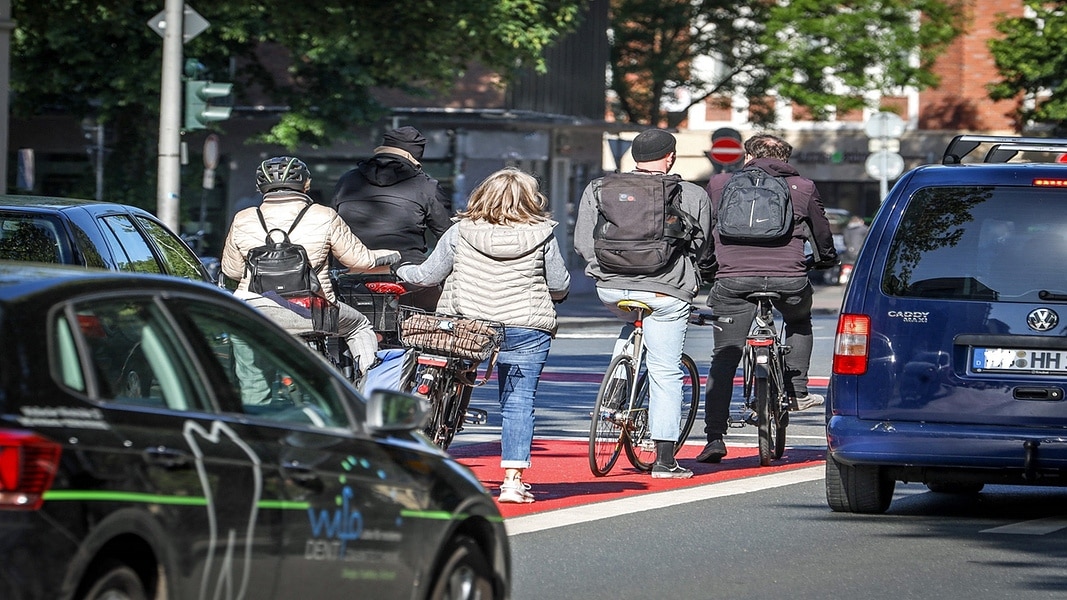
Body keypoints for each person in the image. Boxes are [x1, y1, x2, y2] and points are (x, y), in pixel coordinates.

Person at [396, 167, 570, 504]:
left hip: (467, 326)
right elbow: (560, 283)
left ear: (482, 195)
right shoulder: (543, 234)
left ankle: (429, 447)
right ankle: (513, 482)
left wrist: (400, 268)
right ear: (531, 200)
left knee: (447, 378)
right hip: (526, 325)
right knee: (518, 401)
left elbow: (427, 275)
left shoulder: (459, 232)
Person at [574, 128, 712, 479]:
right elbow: (702, 247)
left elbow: (583, 241)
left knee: (632, 316)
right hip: (665, 292)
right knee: (666, 370)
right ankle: (664, 461)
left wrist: (601, 273)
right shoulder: (690, 192)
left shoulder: (599, 188)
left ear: (634, 157)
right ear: (670, 157)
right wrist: (691, 278)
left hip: (612, 290)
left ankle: (619, 381)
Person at [697, 133, 838, 464]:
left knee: (724, 356)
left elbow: (706, 230)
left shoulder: (719, 184)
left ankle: (714, 437)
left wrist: (707, 269)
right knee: (799, 321)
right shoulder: (803, 187)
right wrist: (826, 259)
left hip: (733, 279)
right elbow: (821, 231)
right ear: (786, 160)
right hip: (788, 279)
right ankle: (797, 390)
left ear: (747, 157)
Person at [221, 156, 400, 384]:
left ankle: (255, 406)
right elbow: (359, 261)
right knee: (359, 326)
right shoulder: (324, 216)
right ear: (306, 185)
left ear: (260, 186)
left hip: (254, 311)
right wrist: (392, 255)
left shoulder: (243, 219)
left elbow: (232, 271)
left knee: (252, 376)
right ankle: (371, 388)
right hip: (311, 312)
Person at [332, 126, 453, 310]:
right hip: (405, 275)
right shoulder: (426, 186)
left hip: (349, 272)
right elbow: (447, 235)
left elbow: (330, 225)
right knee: (426, 324)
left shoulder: (347, 181)